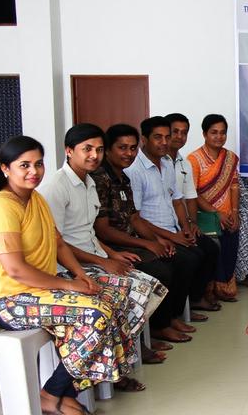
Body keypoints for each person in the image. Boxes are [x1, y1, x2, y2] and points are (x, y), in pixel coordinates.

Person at [0, 136, 139, 415]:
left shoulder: (35, 199)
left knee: (117, 299)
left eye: (38, 164)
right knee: (96, 315)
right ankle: (52, 395)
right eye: (24, 165)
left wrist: (81, 276)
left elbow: (59, 243)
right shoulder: (1, 207)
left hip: (39, 292)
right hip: (10, 299)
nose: (33, 171)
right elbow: (16, 269)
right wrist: (70, 285)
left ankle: (62, 391)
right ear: (6, 169)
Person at [39, 124, 166, 385]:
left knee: (149, 285)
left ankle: (118, 361)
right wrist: (102, 262)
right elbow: (57, 244)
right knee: (127, 292)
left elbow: (89, 232)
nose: (94, 156)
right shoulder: (56, 186)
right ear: (69, 150)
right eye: (87, 149)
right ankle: (108, 371)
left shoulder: (89, 182)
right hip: (70, 266)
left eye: (98, 150)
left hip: (94, 256)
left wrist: (111, 255)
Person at [92, 123, 205, 347]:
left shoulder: (122, 177)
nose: (129, 153)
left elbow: (134, 217)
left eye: (132, 148)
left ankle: (170, 318)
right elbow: (103, 230)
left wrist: (157, 241)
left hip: (133, 238)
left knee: (184, 257)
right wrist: (147, 243)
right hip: (110, 246)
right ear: (109, 149)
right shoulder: (100, 179)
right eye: (122, 148)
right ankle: (158, 327)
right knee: (162, 269)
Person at [125, 117, 221, 312]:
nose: (164, 142)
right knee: (188, 259)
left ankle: (192, 301)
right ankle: (170, 319)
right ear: (144, 139)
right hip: (152, 233)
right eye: (158, 137)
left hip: (175, 229)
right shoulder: (134, 171)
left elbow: (177, 200)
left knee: (210, 248)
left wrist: (186, 228)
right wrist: (171, 237)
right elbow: (136, 217)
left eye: (167, 137)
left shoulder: (168, 165)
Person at [187, 114, 241, 302]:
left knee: (229, 251)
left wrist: (234, 212)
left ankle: (225, 288)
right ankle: (210, 291)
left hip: (229, 213)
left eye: (223, 133)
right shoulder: (193, 159)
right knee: (214, 253)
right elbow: (192, 193)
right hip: (205, 216)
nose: (219, 137)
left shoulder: (230, 158)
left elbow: (234, 185)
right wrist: (216, 213)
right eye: (214, 132)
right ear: (204, 134)